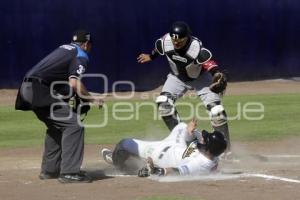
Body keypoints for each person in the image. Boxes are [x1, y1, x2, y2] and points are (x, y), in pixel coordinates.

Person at [15, 30, 103, 183]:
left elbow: (64, 85)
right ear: (87, 44)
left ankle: (50, 170)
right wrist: (91, 99)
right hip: (39, 90)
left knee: (56, 126)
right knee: (74, 125)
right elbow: (74, 83)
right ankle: (69, 173)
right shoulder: (81, 54)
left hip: (28, 88)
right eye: (90, 45)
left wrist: (85, 96)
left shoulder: (64, 49)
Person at [137, 21, 231, 154]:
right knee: (163, 104)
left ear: (187, 37)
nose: (176, 43)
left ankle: (225, 151)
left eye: (180, 40)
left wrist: (217, 74)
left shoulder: (196, 48)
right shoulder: (165, 42)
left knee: (217, 112)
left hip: (201, 79)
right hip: (177, 77)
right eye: (174, 40)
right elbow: (158, 50)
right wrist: (150, 56)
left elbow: (210, 64)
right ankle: (185, 142)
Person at [101, 118, 227, 177]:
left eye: (206, 139)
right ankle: (132, 159)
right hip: (175, 144)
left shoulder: (199, 164)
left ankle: (116, 160)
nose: (203, 138)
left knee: (124, 143)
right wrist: (189, 133)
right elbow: (198, 140)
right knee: (183, 125)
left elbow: (177, 172)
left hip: (160, 153)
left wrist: (155, 171)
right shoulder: (210, 153)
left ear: (208, 147)